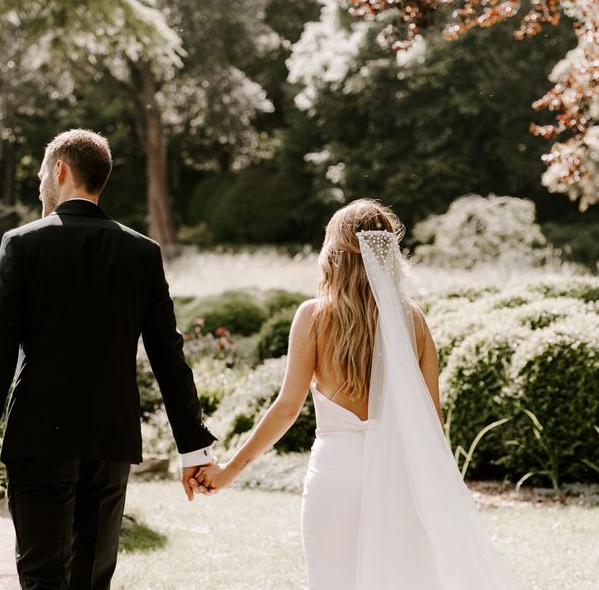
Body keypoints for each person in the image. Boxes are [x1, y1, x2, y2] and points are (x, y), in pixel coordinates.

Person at [194, 199, 521, 589]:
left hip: (335, 476)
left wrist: (229, 470)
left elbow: (286, 409)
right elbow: (431, 424)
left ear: (333, 254)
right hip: (397, 479)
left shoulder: (314, 316)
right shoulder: (412, 320)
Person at [0, 129, 216, 590]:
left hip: (38, 440)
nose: (40, 184)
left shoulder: (22, 244)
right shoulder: (142, 252)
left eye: (42, 173)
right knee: (92, 582)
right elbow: (168, 357)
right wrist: (193, 447)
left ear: (60, 170)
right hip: (110, 442)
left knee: (42, 577)